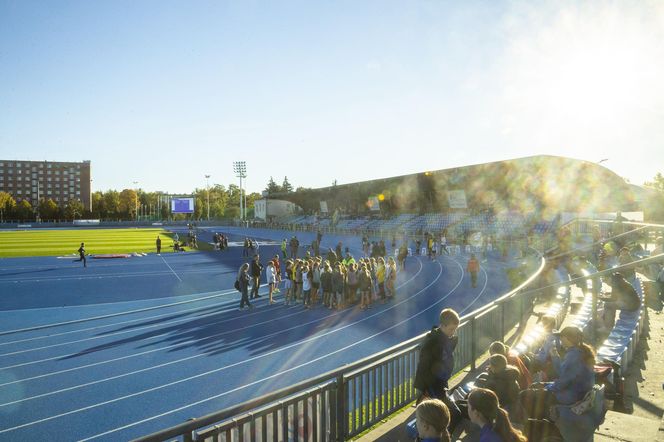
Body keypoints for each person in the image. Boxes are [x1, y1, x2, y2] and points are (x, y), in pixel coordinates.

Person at [520, 326, 595, 422]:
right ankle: (540, 420)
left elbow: (563, 382)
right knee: (535, 386)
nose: (560, 340)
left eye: (561, 337)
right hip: (575, 392)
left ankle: (540, 423)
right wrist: (555, 357)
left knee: (524, 395)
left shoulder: (574, 355)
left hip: (571, 395)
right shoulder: (579, 352)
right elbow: (563, 373)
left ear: (567, 338)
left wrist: (548, 387)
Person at [414, 308, 462, 432]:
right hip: (432, 387)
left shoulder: (444, 339)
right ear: (443, 325)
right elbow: (423, 367)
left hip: (440, 384)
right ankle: (440, 437)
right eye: (451, 329)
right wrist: (426, 390)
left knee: (436, 417)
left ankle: (438, 436)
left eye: (455, 329)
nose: (453, 332)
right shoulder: (432, 342)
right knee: (453, 414)